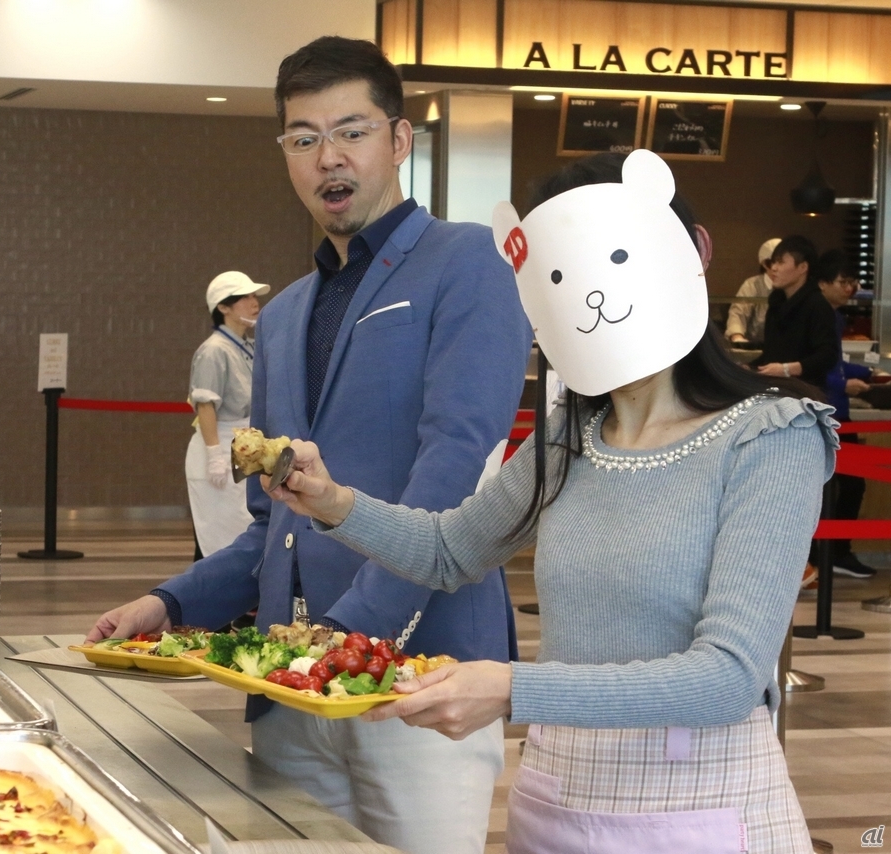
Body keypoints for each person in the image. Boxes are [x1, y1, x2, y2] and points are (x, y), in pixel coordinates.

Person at [266, 150, 828, 854]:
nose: (591, 295)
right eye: (559, 275)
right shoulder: (569, 436)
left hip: (703, 807)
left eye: (615, 257)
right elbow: (449, 550)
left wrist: (513, 688)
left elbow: (729, 677)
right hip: (557, 798)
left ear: (694, 252)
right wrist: (331, 501)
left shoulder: (771, 435)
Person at [85, 37, 530, 854]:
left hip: (418, 677)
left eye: (352, 131)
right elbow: (275, 522)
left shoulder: (463, 261)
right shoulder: (285, 313)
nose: (330, 157)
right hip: (290, 693)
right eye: (304, 138)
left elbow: (455, 471)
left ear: (399, 139)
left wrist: (339, 641)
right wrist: (171, 604)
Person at [187, 271, 269, 560]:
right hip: (220, 446)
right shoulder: (214, 351)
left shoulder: (248, 346)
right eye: (245, 297)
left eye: (254, 296)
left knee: (242, 525)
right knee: (218, 533)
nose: (254, 302)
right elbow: (205, 405)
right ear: (223, 307)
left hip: (244, 444)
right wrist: (214, 456)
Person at [817, 249, 877, 579]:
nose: (850, 288)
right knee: (848, 485)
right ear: (823, 283)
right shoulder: (817, 316)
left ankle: (833, 553)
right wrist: (843, 384)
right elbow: (817, 369)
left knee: (849, 485)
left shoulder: (835, 316)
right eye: (843, 281)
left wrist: (868, 373)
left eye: (853, 282)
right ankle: (833, 553)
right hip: (828, 412)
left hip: (839, 411)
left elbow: (834, 363)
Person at [751, 235, 838, 387]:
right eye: (773, 262)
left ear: (803, 268)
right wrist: (750, 367)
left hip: (806, 392)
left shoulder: (817, 304)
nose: (774, 268)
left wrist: (788, 369)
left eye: (780, 262)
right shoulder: (776, 303)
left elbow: (828, 355)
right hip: (777, 389)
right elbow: (773, 355)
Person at [725, 237, 779, 345]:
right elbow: (738, 313)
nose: (776, 268)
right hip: (755, 344)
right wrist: (737, 336)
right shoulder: (752, 284)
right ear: (764, 264)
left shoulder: (792, 286)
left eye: (782, 263)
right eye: (772, 263)